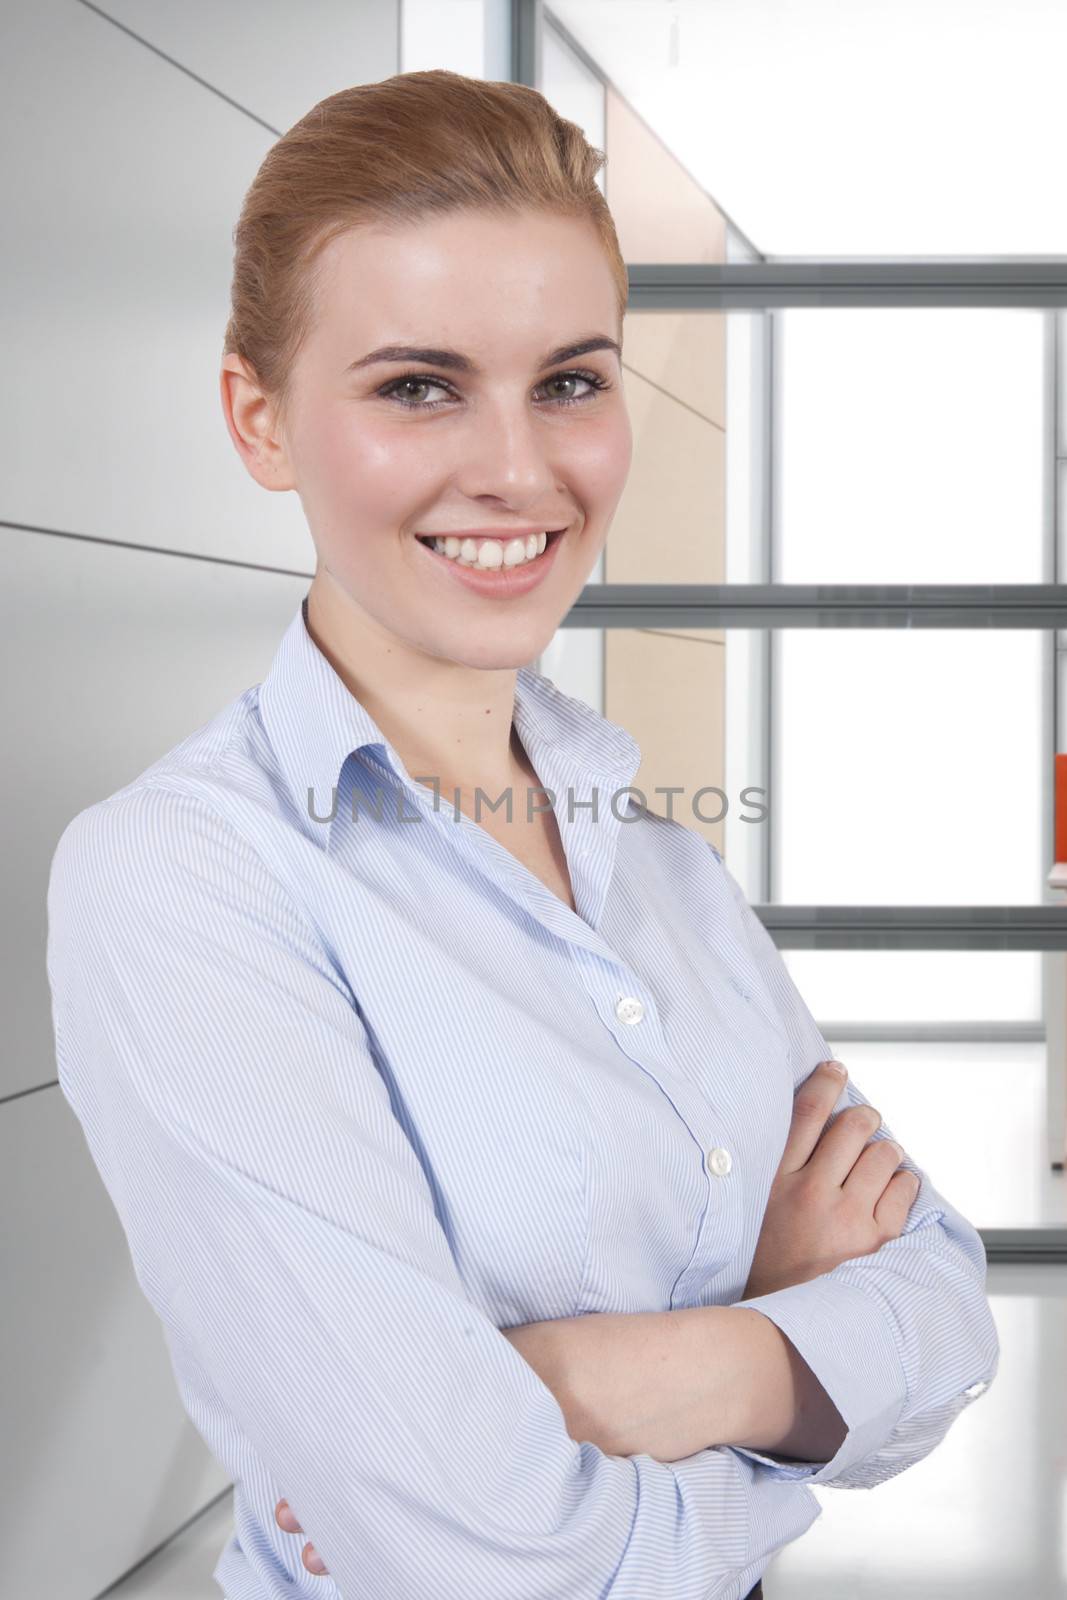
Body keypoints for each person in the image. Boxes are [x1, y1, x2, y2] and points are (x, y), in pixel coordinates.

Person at [45, 69, 998, 1600]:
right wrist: (789, 1361)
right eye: (418, 385)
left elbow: (947, 1304)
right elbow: (484, 1559)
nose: (518, 469)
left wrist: (620, 1386)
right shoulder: (185, 880)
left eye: (571, 380)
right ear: (258, 417)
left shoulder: (656, 854)